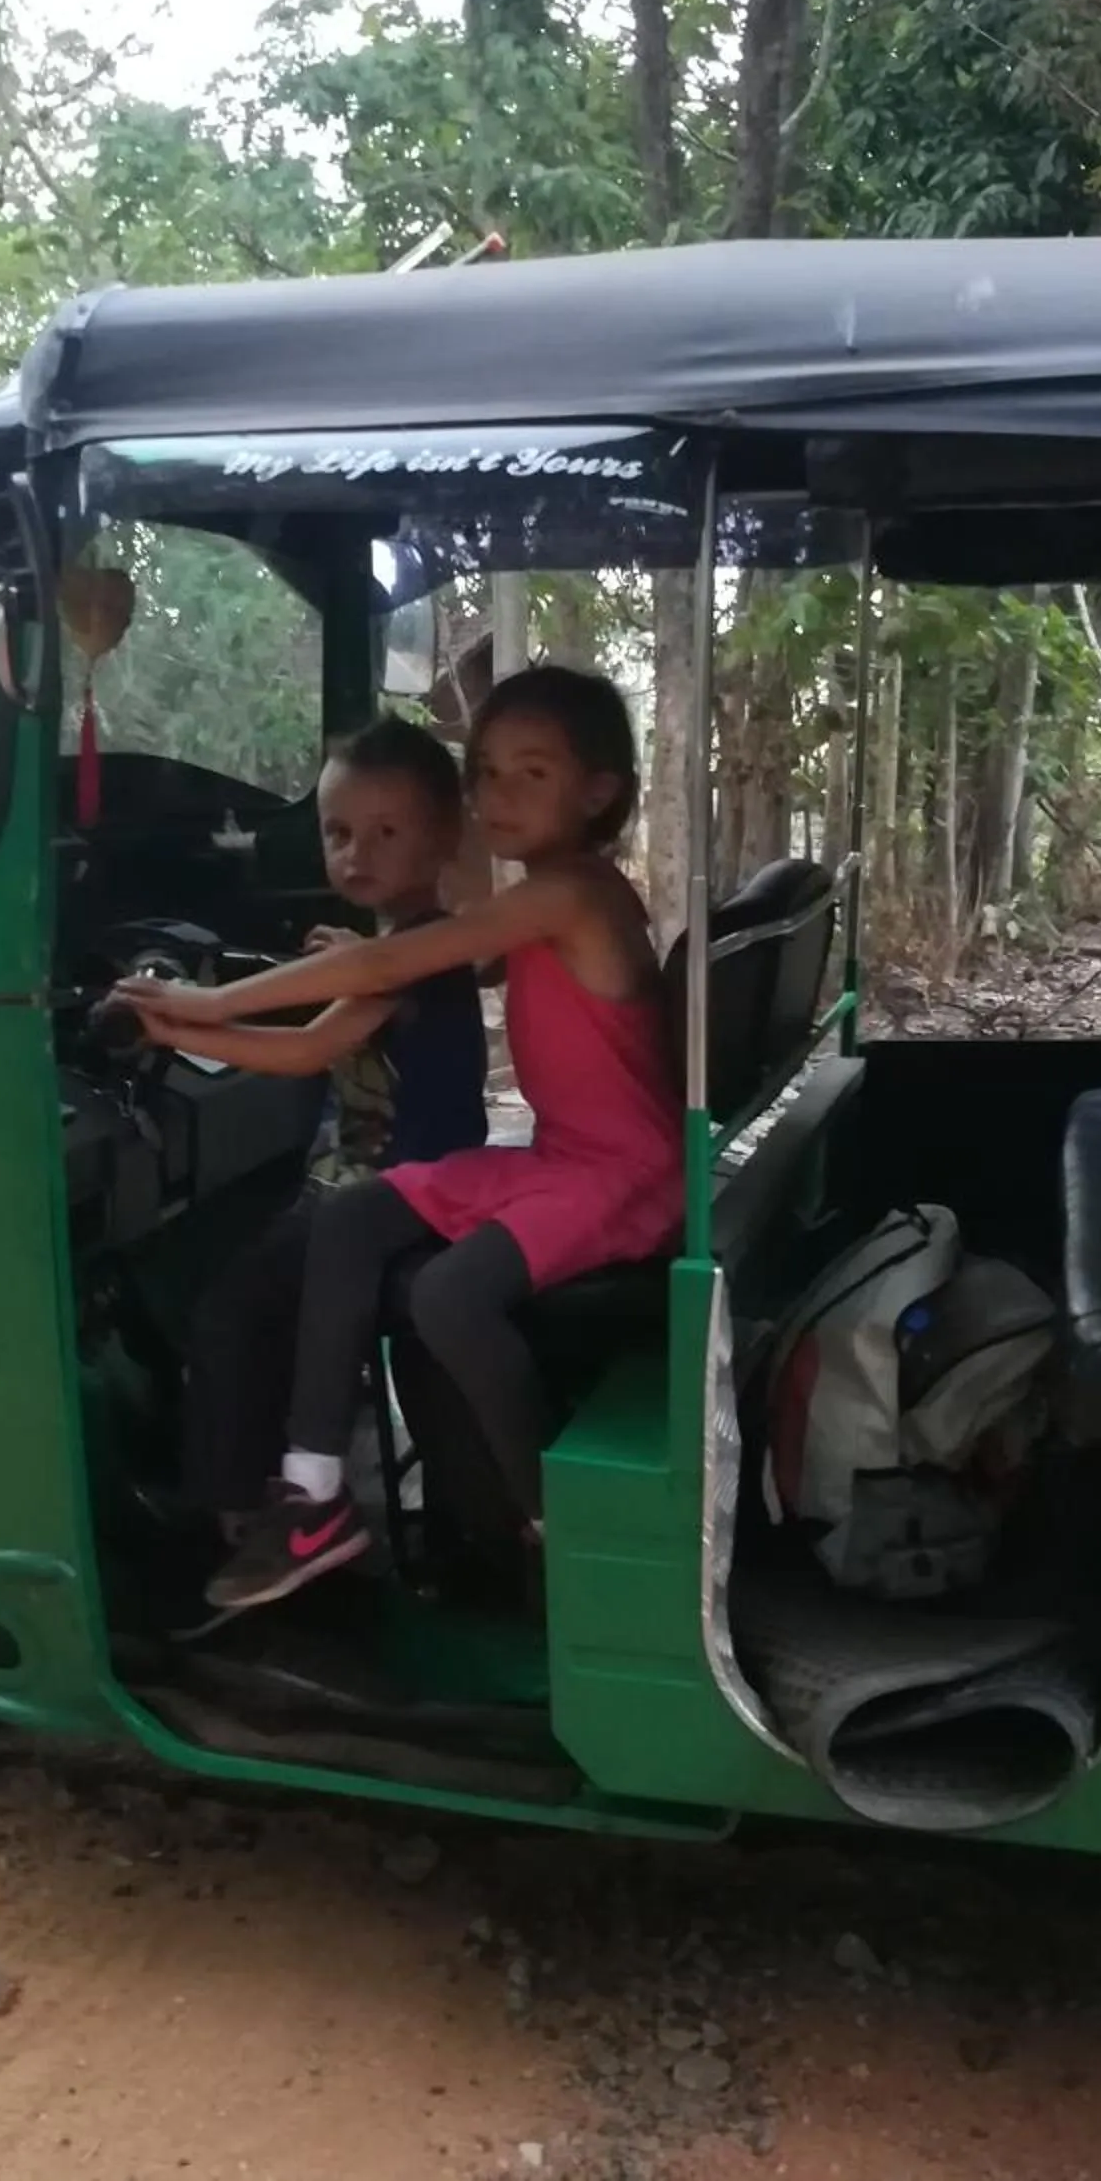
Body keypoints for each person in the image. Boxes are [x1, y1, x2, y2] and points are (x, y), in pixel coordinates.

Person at [123, 664, 683, 1612]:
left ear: (600, 792)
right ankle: (312, 1494)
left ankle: (550, 1520)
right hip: (563, 1163)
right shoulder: (539, 904)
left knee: (450, 1297)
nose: (499, 793)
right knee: (353, 1220)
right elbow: (398, 970)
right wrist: (184, 1024)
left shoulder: (575, 893)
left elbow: (400, 957)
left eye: (530, 774)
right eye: (488, 773)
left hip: (621, 1175)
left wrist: (205, 1000)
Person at [144, 716, 490, 1534]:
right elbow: (360, 986)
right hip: (401, 1186)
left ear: (442, 838)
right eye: (338, 833)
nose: (356, 854)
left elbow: (307, 1050)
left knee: (229, 1306)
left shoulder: (416, 953)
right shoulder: (408, 942)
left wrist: (177, 1025)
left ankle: (235, 1519)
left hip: (384, 1202)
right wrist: (341, 951)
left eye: (385, 832)